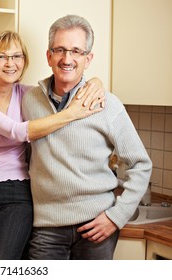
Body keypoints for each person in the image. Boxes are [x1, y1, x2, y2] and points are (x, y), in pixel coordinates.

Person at [0, 31, 105, 260]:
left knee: (4, 262)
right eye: (2, 57)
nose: (11, 63)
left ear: (24, 61)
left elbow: (64, 86)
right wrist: (72, 114)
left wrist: (95, 82)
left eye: (17, 56)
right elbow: (16, 132)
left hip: (18, 191)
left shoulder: (29, 95)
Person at [22, 15, 152, 260]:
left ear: (88, 58)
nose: (67, 59)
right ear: (48, 56)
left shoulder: (107, 104)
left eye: (76, 51)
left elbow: (141, 164)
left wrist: (117, 217)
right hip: (46, 227)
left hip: (97, 227)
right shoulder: (28, 101)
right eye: (59, 50)